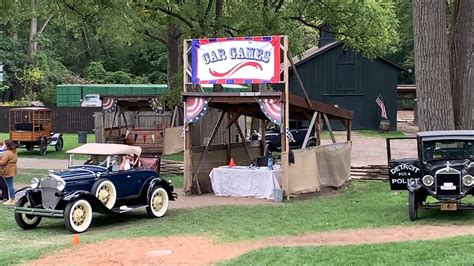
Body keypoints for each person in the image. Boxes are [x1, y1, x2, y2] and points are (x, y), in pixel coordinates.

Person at [0, 140, 18, 205]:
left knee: (9, 185)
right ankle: (12, 198)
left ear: (7, 145)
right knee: (10, 185)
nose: (3, 146)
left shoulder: (7, 153)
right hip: (12, 170)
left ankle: (12, 199)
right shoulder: (13, 151)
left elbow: (3, 162)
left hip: (7, 170)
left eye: (4, 144)